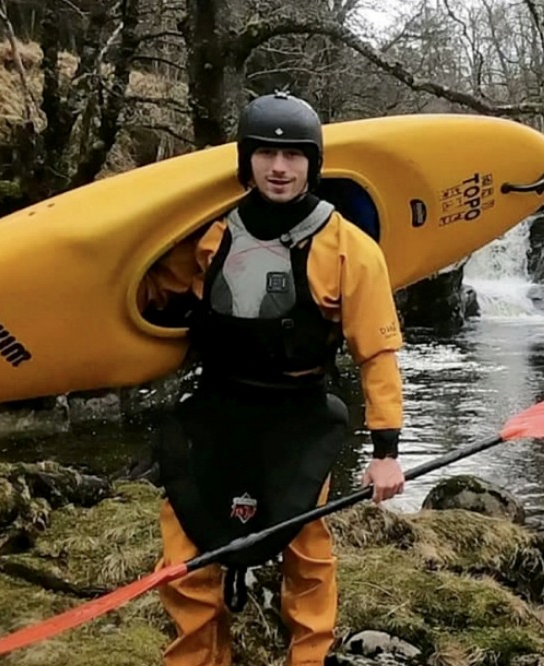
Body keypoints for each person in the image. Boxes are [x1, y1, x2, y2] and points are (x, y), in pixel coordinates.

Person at [135, 90, 408, 666]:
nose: (278, 168)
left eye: (293, 156)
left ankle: (307, 658)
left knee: (306, 554)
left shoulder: (349, 249)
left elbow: (377, 352)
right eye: (265, 154)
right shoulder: (208, 236)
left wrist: (386, 450)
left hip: (297, 415)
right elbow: (152, 290)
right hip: (217, 407)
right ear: (246, 160)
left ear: (313, 163)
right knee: (186, 552)